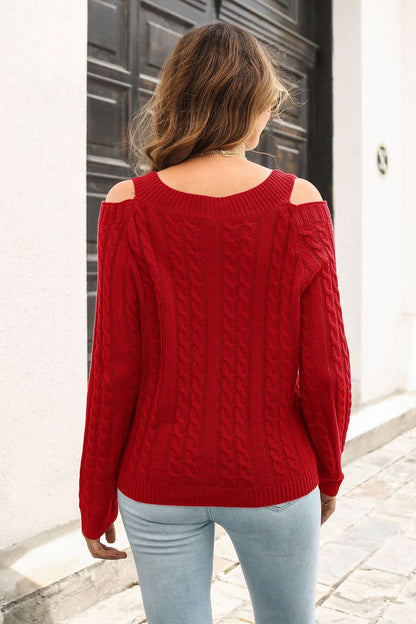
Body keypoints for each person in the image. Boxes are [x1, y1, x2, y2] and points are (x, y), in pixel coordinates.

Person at [78, 21, 352, 624]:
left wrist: (94, 498)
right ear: (252, 104)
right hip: (275, 476)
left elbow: (114, 370)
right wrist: (328, 473)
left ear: (175, 100)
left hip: (156, 479)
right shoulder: (300, 203)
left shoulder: (127, 204)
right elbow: (326, 370)